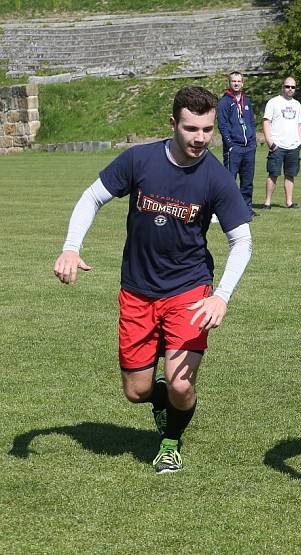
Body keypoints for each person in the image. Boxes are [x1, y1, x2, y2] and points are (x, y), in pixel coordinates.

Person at [53, 86, 253, 475]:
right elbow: (92, 197)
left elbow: (242, 240)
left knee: (181, 385)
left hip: (189, 291)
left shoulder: (215, 176)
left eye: (208, 129)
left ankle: (171, 442)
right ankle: (163, 402)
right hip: (138, 291)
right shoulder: (140, 160)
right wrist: (71, 247)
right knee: (137, 391)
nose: (200, 139)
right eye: (191, 128)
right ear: (172, 124)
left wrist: (222, 296)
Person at [217, 71, 259, 218]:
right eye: (233, 81)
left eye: (239, 81)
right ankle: (227, 210)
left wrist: (253, 140)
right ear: (229, 83)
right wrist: (230, 145)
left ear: (243, 83)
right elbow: (222, 125)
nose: (236, 83)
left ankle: (246, 209)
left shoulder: (246, 101)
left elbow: (251, 122)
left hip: (249, 148)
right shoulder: (224, 102)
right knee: (229, 181)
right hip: (234, 148)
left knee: (247, 181)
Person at [263, 76, 301, 210]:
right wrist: (270, 142)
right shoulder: (273, 102)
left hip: (293, 146)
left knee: (290, 174)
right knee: (273, 174)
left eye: (293, 87)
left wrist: (300, 142)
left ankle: (289, 202)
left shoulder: (297, 104)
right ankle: (267, 202)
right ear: (283, 87)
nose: (290, 89)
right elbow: (266, 122)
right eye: (287, 86)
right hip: (277, 146)